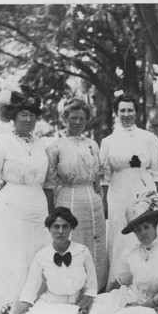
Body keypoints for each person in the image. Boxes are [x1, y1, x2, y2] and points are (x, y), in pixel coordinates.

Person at [0, 86, 51, 314]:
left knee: (35, 253)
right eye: (23, 114)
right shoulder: (3, 144)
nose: (28, 119)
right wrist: (5, 192)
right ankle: (4, 306)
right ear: (13, 117)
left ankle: (34, 303)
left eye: (32, 115)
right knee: (10, 256)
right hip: (11, 206)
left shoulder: (41, 144)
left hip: (37, 204)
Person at [85, 194, 158, 314]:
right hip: (128, 296)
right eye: (138, 230)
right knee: (99, 307)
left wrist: (140, 307)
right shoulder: (132, 254)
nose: (143, 233)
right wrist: (110, 296)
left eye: (146, 227)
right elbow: (122, 280)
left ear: (155, 226)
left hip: (153, 304)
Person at [0, 207, 98, 314]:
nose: (60, 231)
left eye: (65, 227)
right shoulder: (42, 256)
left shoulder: (82, 252)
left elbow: (91, 287)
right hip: (50, 305)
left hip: (77, 303)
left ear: (71, 228)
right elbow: (29, 292)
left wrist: (81, 308)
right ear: (49, 229)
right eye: (56, 227)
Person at [100, 93, 158, 290]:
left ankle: (149, 282)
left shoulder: (149, 138)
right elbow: (105, 175)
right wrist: (104, 201)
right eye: (122, 110)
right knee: (121, 235)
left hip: (144, 189)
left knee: (146, 230)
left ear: (136, 112)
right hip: (118, 192)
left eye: (130, 110)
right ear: (116, 113)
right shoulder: (108, 141)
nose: (126, 114)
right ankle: (118, 282)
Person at [45, 98, 108, 291]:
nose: (77, 122)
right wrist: (51, 211)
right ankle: (72, 289)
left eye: (81, 118)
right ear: (65, 118)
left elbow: (99, 173)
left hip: (93, 202)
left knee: (95, 243)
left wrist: (97, 190)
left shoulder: (92, 144)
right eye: (73, 118)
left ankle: (95, 287)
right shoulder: (56, 146)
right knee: (74, 241)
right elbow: (49, 182)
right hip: (69, 199)